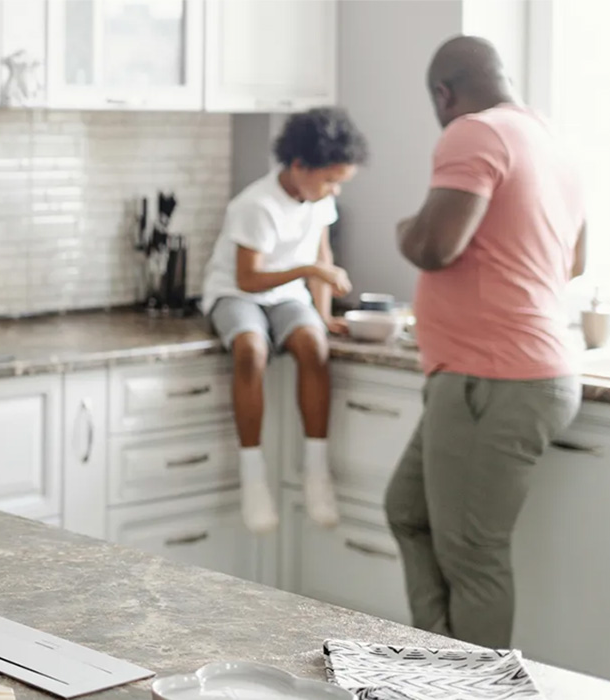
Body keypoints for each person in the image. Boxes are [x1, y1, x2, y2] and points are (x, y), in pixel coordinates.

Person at [385, 35, 586, 648]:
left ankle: (474, 688)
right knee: (407, 510)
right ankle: (443, 666)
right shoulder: (552, 141)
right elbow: (575, 262)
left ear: (444, 94)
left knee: (473, 556)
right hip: (511, 374)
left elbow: (434, 246)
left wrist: (405, 230)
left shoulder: (474, 132)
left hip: (493, 380)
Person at [201, 107, 368, 534]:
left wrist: (324, 313)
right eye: (329, 179)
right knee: (251, 350)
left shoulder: (320, 201)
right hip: (237, 294)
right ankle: (253, 476)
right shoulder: (255, 206)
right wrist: (309, 273)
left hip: (286, 297)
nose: (334, 190)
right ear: (299, 165)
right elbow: (248, 278)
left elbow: (321, 254)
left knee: (315, 347)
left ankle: (317, 471)